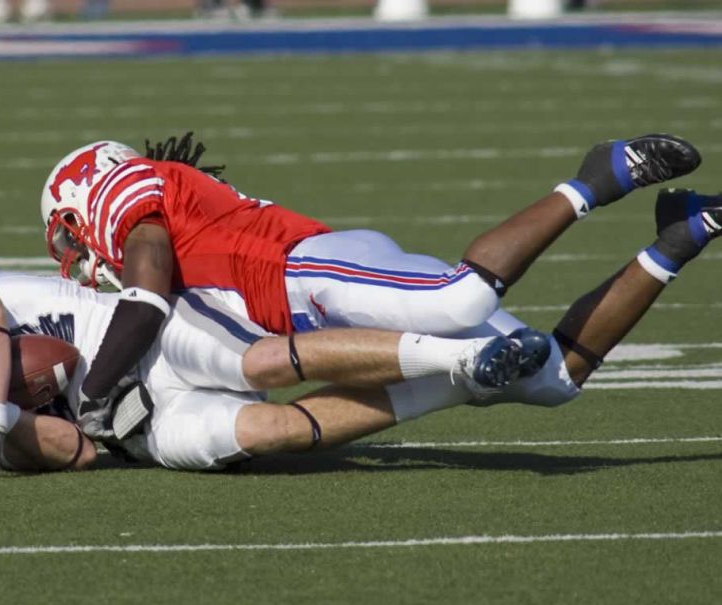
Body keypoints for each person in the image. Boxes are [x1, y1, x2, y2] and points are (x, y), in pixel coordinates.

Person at [38, 132, 715, 441]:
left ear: (82, 192)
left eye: (68, 237)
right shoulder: (155, 213)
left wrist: (96, 388)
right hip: (318, 313)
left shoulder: (127, 193)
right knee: (552, 378)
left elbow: (148, 291)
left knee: (460, 297)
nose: (76, 254)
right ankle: (679, 237)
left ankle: (595, 178)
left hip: (305, 270)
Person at [0, 250, 550, 481]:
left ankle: (458, 347)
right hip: (134, 424)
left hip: (140, 334)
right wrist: (8, 430)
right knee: (273, 431)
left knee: (263, 365)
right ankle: (456, 386)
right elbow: (79, 450)